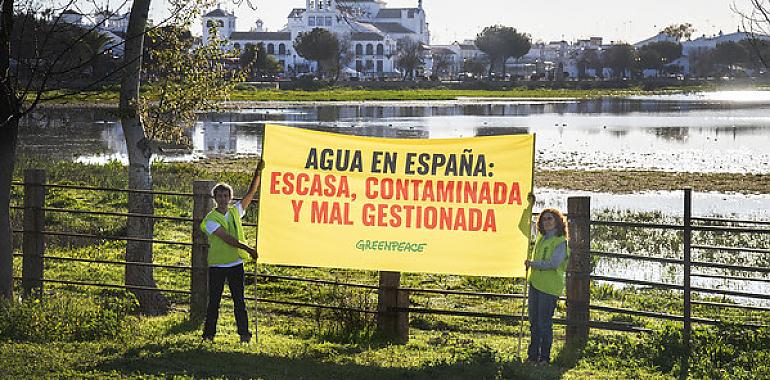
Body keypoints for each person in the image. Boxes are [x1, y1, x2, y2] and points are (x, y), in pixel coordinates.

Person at [200, 166, 261, 343]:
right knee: (214, 302)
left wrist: (257, 174)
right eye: (219, 196)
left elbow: (251, 193)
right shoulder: (211, 219)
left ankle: (244, 335)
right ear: (215, 198)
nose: (223, 198)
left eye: (226, 195)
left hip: (235, 263)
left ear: (230, 197)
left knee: (239, 301)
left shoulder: (235, 211)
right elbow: (227, 239)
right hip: (218, 265)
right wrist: (248, 249)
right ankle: (208, 335)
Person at [525, 208, 570, 364]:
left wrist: (532, 264)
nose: (547, 221)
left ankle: (544, 358)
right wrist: (529, 205)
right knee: (534, 322)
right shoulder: (541, 237)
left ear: (558, 221)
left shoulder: (561, 242)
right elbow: (523, 225)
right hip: (535, 284)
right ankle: (532, 356)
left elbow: (553, 264)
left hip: (549, 288)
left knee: (544, 323)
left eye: (550, 218)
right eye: (544, 219)